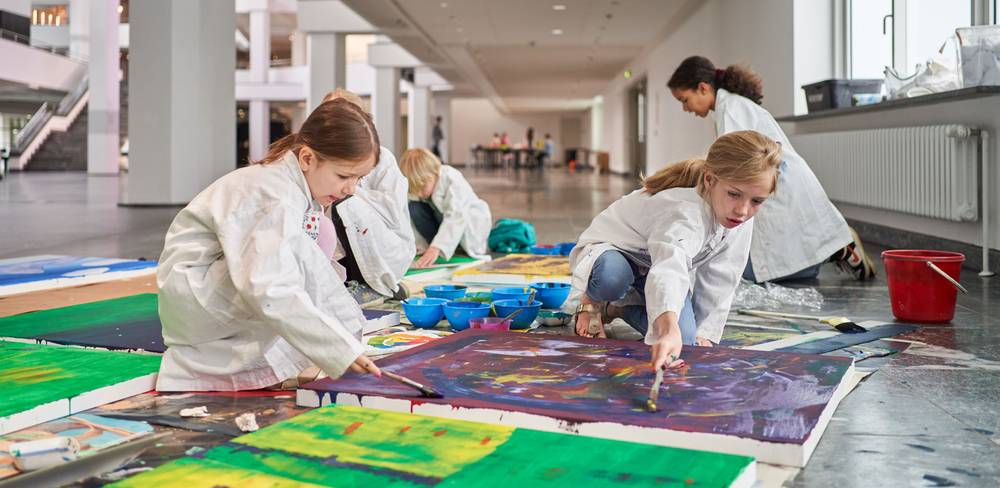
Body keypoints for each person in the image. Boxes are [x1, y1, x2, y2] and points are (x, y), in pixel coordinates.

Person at [156, 99, 382, 392]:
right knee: (291, 267)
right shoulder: (273, 194)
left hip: (205, 292)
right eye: (343, 176)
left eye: (359, 178)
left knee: (309, 250)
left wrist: (336, 341)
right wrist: (336, 348)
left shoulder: (291, 186)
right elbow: (269, 285)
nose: (350, 189)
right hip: (196, 300)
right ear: (307, 159)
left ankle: (302, 354)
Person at [564, 131, 781, 371]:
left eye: (757, 201)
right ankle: (593, 302)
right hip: (615, 253)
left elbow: (723, 275)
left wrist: (703, 334)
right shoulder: (685, 212)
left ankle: (616, 309)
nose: (743, 210)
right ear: (709, 180)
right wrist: (667, 329)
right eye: (733, 194)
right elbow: (669, 268)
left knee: (686, 341)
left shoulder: (740, 216)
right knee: (612, 277)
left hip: (651, 267)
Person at [667, 55, 874, 282]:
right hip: (771, 182)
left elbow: (734, 164)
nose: (686, 108)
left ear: (703, 88)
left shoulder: (733, 109)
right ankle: (831, 247)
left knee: (753, 273)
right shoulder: (729, 107)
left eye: (684, 100)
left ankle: (837, 248)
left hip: (780, 185)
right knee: (782, 262)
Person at [321, 89, 415, 300]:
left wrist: (350, 190)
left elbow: (392, 211)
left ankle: (367, 283)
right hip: (335, 243)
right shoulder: (321, 157)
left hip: (383, 241)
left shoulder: (382, 158)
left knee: (344, 204)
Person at [398, 148, 491, 268]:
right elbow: (404, 216)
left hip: (469, 224)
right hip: (443, 222)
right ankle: (437, 248)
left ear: (434, 173)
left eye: (422, 187)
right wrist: (415, 245)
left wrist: (437, 247)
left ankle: (444, 247)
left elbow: (456, 216)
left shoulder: (451, 178)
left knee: (453, 218)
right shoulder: (423, 188)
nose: (420, 194)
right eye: (415, 190)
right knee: (414, 207)